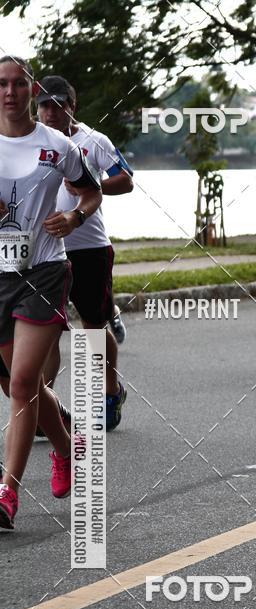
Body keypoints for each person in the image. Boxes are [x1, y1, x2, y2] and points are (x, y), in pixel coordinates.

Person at [0, 56, 101, 529]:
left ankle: (7, 494)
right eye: (2, 84)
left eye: (19, 84)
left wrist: (76, 218)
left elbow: (91, 191)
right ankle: (64, 445)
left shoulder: (56, 144)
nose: (11, 92)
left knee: (22, 382)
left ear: (32, 89)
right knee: (14, 383)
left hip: (42, 270)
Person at [36, 75, 133, 429]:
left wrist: (90, 187)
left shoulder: (94, 141)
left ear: (71, 106)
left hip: (89, 246)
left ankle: (111, 391)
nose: (50, 112)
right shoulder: (34, 142)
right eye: (44, 105)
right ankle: (44, 408)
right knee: (45, 330)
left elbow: (126, 179)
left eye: (58, 104)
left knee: (93, 326)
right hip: (45, 250)